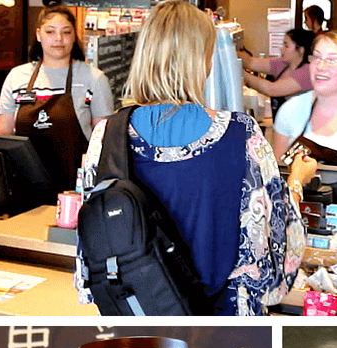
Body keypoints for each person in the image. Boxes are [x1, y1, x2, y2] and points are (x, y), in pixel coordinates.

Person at [75, 0, 318, 316]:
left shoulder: (108, 133)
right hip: (224, 319)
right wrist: (296, 183)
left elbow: (91, 239)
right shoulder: (240, 133)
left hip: (142, 310)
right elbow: (269, 246)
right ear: (201, 61)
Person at [0, 4, 114, 200]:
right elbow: (2, 134)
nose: (59, 39)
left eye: (66, 32)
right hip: (24, 190)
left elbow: (103, 140)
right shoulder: (17, 77)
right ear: (39, 35)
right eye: (50, 32)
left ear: (75, 35)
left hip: (74, 192)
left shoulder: (94, 79)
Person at [272, 30, 337, 160]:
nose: (320, 66)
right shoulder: (290, 110)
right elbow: (276, 174)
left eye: (332, 60)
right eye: (317, 57)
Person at [238, 28, 315, 117]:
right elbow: (251, 63)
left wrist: (241, 73)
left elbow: (271, 89)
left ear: (301, 50)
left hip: (300, 126)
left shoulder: (307, 72)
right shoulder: (284, 64)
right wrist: (231, 51)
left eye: (286, 46)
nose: (281, 49)